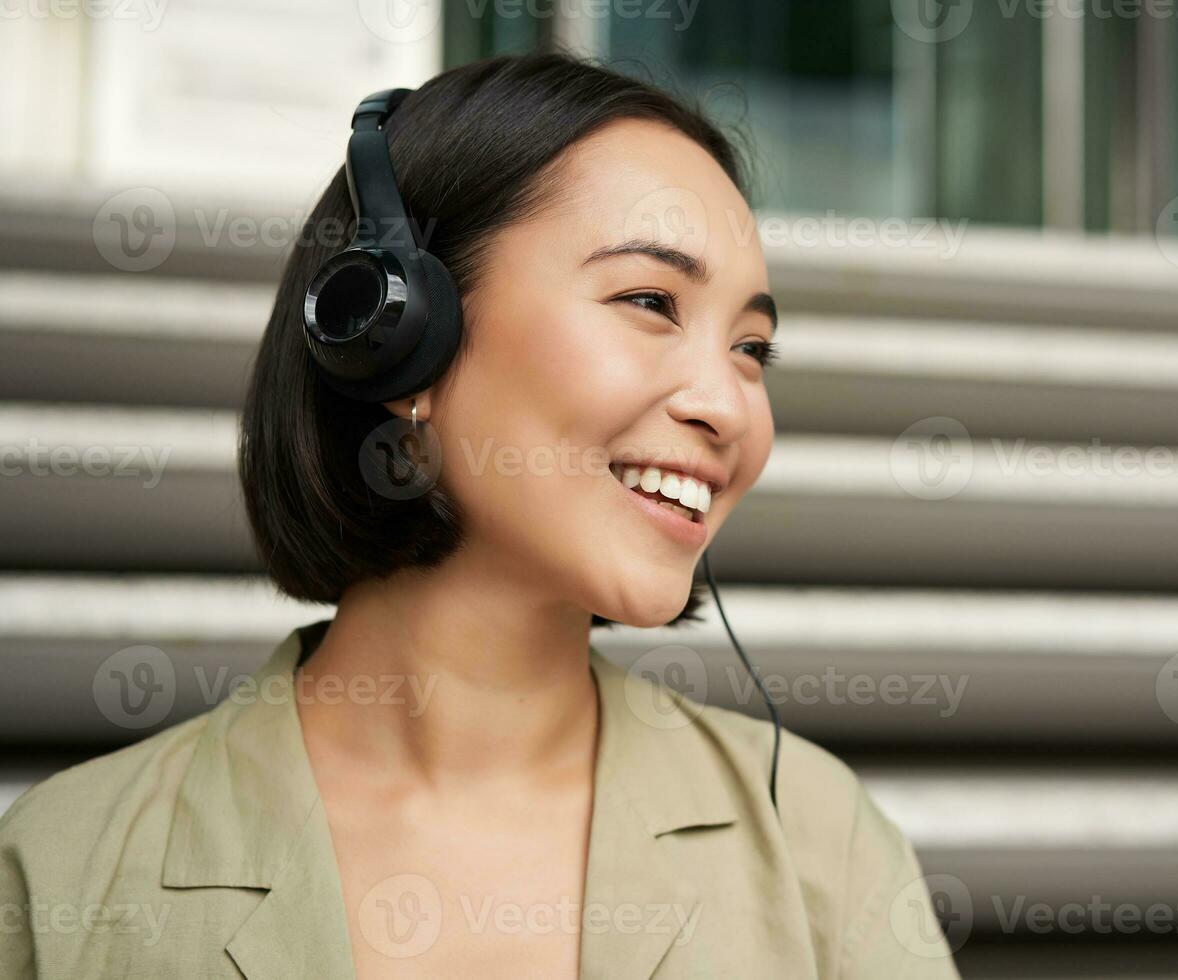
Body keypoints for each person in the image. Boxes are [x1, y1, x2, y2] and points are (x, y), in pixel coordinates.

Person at [0, 51, 961, 979]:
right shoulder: (62, 874)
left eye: (753, 348)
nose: (730, 404)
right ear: (398, 337)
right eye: (650, 300)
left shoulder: (821, 848)